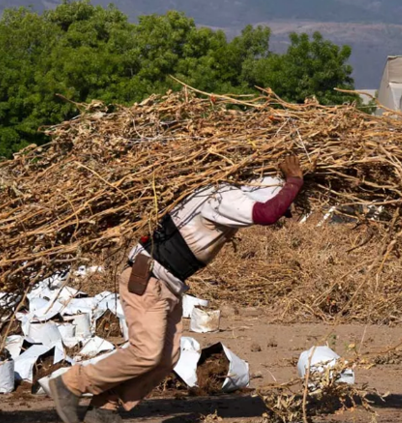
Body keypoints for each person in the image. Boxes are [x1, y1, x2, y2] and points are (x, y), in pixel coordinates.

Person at [50, 156, 305, 423]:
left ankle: (105, 407)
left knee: (165, 359)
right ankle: (70, 384)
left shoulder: (220, 192)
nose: (284, 208)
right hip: (149, 277)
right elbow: (267, 213)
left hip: (167, 283)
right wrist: (295, 180)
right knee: (146, 353)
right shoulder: (222, 196)